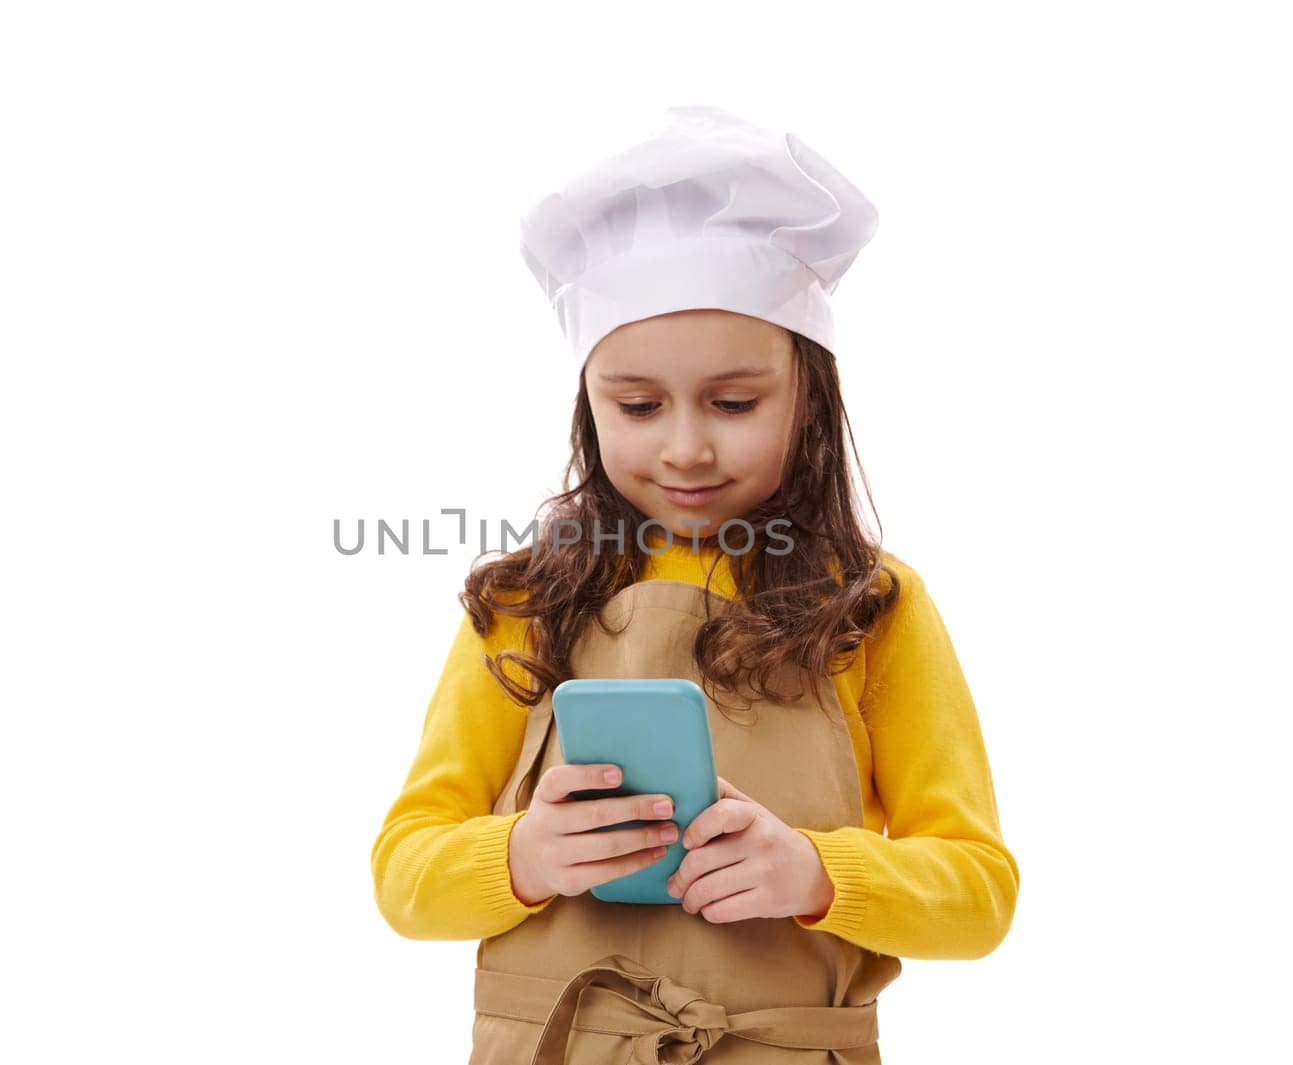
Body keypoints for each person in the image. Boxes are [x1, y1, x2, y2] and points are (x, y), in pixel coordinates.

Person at [370, 105, 1019, 1065]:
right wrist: (519, 856)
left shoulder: (874, 607)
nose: (686, 446)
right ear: (588, 404)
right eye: (636, 405)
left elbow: (979, 895)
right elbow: (402, 870)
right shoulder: (526, 601)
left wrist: (816, 873)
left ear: (810, 396)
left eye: (734, 402)